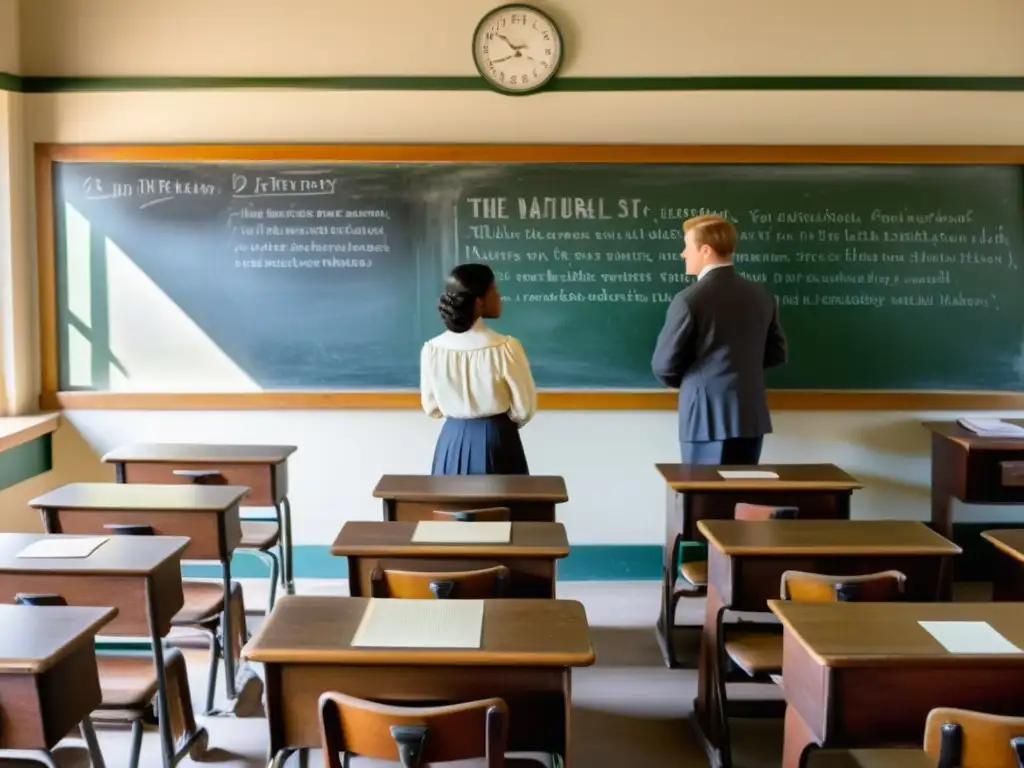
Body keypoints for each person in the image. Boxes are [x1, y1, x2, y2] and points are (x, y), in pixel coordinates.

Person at [651, 214, 788, 464]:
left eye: (687, 246)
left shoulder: (689, 299)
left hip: (704, 416)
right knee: (740, 499)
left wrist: (690, 382)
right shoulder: (761, 296)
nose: (683, 254)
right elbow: (777, 353)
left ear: (705, 250)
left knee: (705, 500)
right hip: (749, 416)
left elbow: (664, 365)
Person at [420, 263, 537, 475]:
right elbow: (524, 409)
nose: (500, 297)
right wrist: (496, 426)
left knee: (453, 506)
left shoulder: (432, 349)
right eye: (495, 291)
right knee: (503, 506)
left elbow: (431, 406)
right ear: (479, 301)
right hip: (497, 437)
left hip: (451, 439)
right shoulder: (505, 347)